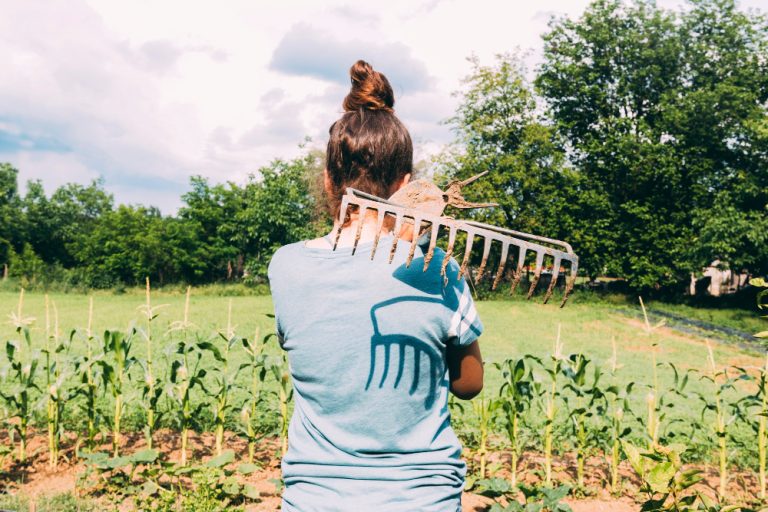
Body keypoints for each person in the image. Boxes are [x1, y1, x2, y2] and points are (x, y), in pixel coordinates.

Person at [268, 59, 484, 512]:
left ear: (329, 181)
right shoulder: (438, 270)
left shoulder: (286, 267)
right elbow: (469, 385)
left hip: (315, 499)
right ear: (406, 185)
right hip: (423, 498)